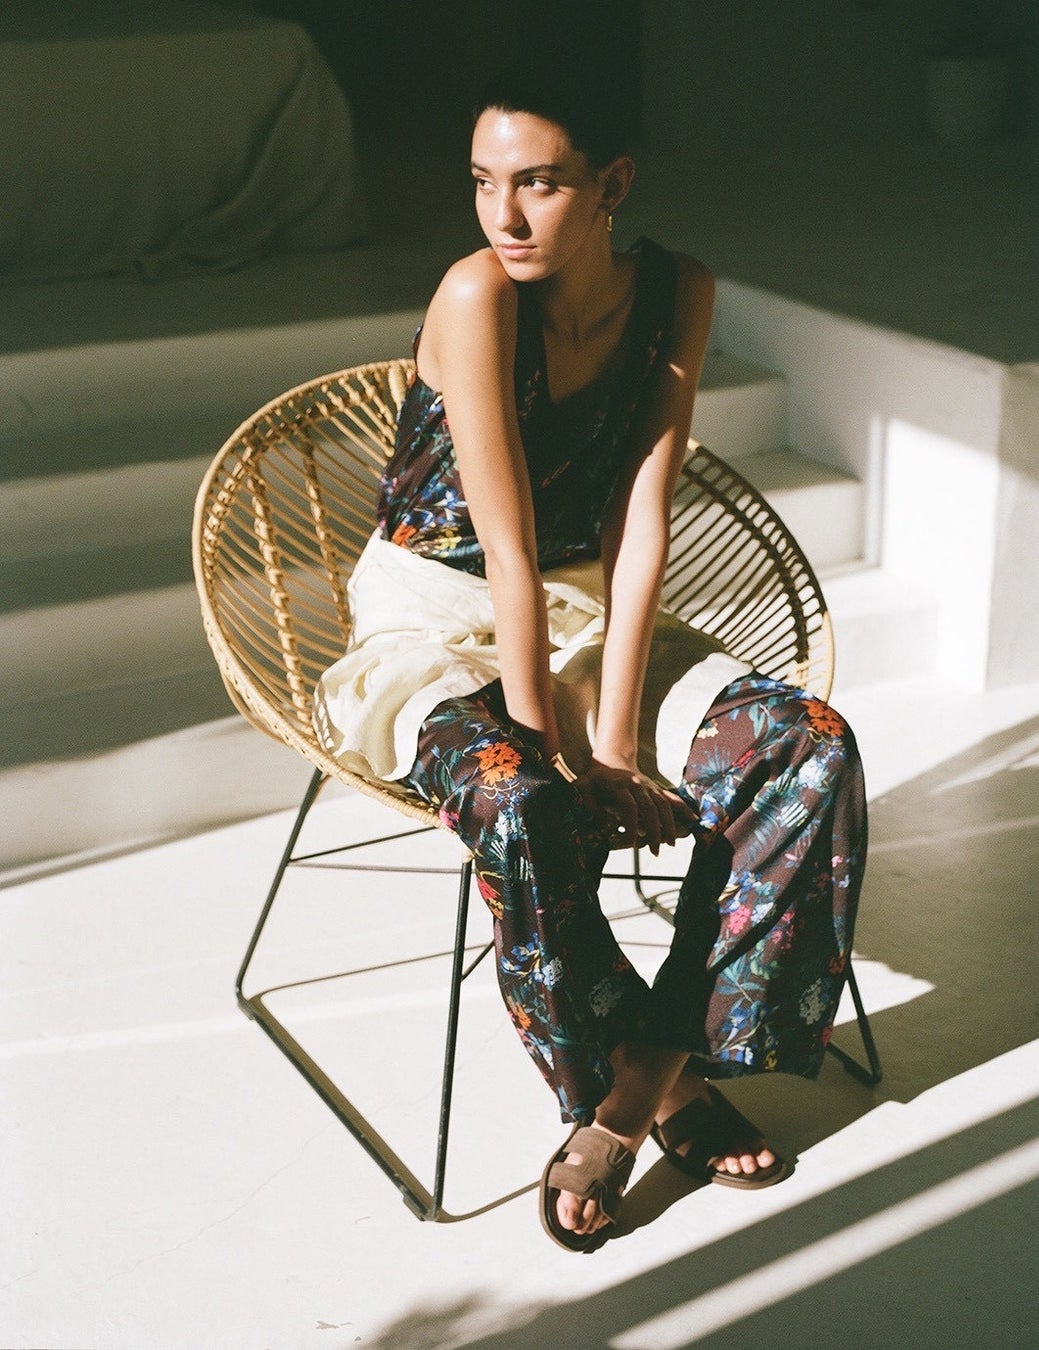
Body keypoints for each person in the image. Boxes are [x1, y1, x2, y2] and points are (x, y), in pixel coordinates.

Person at [314, 61, 867, 1252]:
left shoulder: (677, 291)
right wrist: (563, 756)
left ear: (612, 184)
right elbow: (504, 554)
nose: (503, 215)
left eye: (540, 184)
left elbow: (642, 521)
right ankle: (651, 1095)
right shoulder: (477, 296)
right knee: (522, 803)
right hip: (435, 618)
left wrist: (617, 736)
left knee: (808, 747)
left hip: (581, 615)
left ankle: (640, 1087)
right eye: (483, 182)